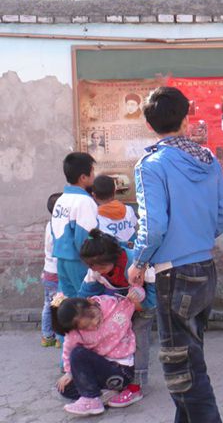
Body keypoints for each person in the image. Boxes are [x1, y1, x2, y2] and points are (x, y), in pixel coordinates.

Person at [127, 86, 223, 423]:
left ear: (149, 124)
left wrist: (139, 262)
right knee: (189, 359)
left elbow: (154, 226)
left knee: (181, 367)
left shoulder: (151, 165)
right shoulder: (208, 159)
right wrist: (197, 238)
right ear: (187, 119)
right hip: (205, 266)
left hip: (174, 274)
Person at [79, 228, 156, 407]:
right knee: (113, 339)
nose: (98, 271)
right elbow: (85, 294)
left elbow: (153, 297)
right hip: (121, 305)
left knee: (138, 339)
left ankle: (136, 386)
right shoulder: (95, 270)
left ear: (114, 259)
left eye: (101, 268)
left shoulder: (139, 264)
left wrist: (140, 305)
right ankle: (116, 380)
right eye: (92, 267)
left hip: (144, 304)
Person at [52, 291, 144, 416]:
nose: (94, 323)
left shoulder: (114, 307)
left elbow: (138, 298)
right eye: (86, 326)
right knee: (64, 388)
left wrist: (136, 293)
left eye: (92, 316)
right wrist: (69, 373)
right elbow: (68, 351)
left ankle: (91, 399)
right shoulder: (75, 334)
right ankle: (105, 394)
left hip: (121, 371)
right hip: (101, 372)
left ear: (91, 302)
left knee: (78, 353)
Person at [51, 152, 98, 298]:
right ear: (83, 177)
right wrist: (93, 263)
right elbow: (85, 237)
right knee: (87, 302)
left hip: (61, 260)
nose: (94, 175)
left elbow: (54, 230)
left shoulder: (61, 199)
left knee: (69, 303)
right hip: (79, 261)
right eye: (92, 171)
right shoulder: (84, 201)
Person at [41, 192, 62, 348]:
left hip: (48, 271)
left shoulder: (49, 224)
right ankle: (59, 337)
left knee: (48, 305)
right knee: (59, 304)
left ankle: (47, 335)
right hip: (57, 271)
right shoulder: (59, 226)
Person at [93, 175, 137, 247]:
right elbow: (134, 226)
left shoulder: (95, 217)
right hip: (132, 250)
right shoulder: (128, 209)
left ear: (94, 195)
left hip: (111, 251)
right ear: (114, 192)